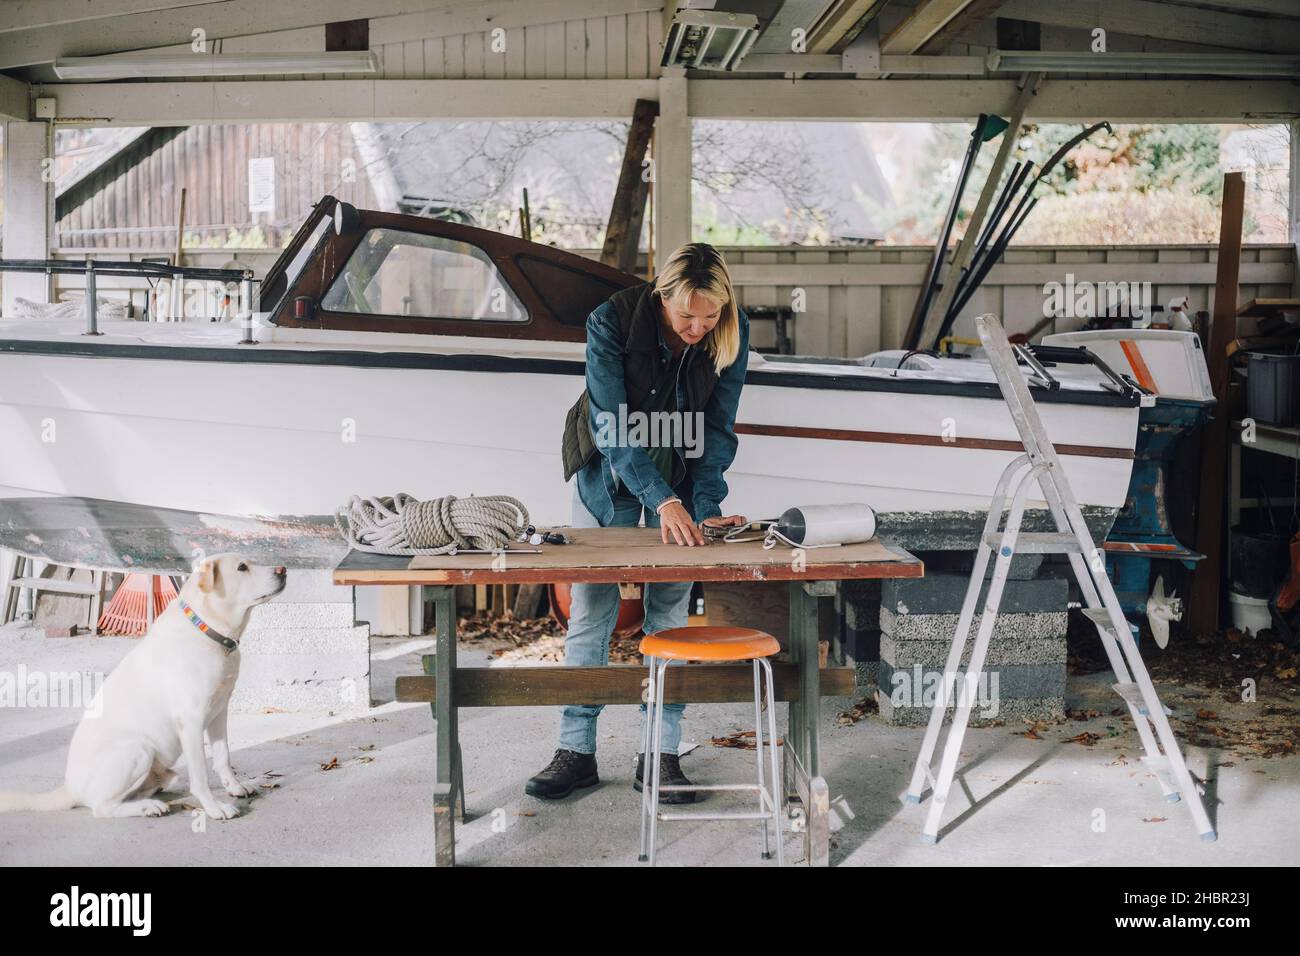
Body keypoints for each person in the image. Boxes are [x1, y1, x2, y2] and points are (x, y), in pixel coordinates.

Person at [529, 242, 751, 803]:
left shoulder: (732, 330)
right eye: (686, 317)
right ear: (662, 299)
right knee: (593, 610)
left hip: (679, 471)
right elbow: (611, 425)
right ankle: (575, 752)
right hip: (608, 469)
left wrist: (703, 507)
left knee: (670, 613)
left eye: (710, 317)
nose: (699, 328)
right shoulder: (611, 321)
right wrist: (661, 499)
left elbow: (718, 429)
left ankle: (661, 753)